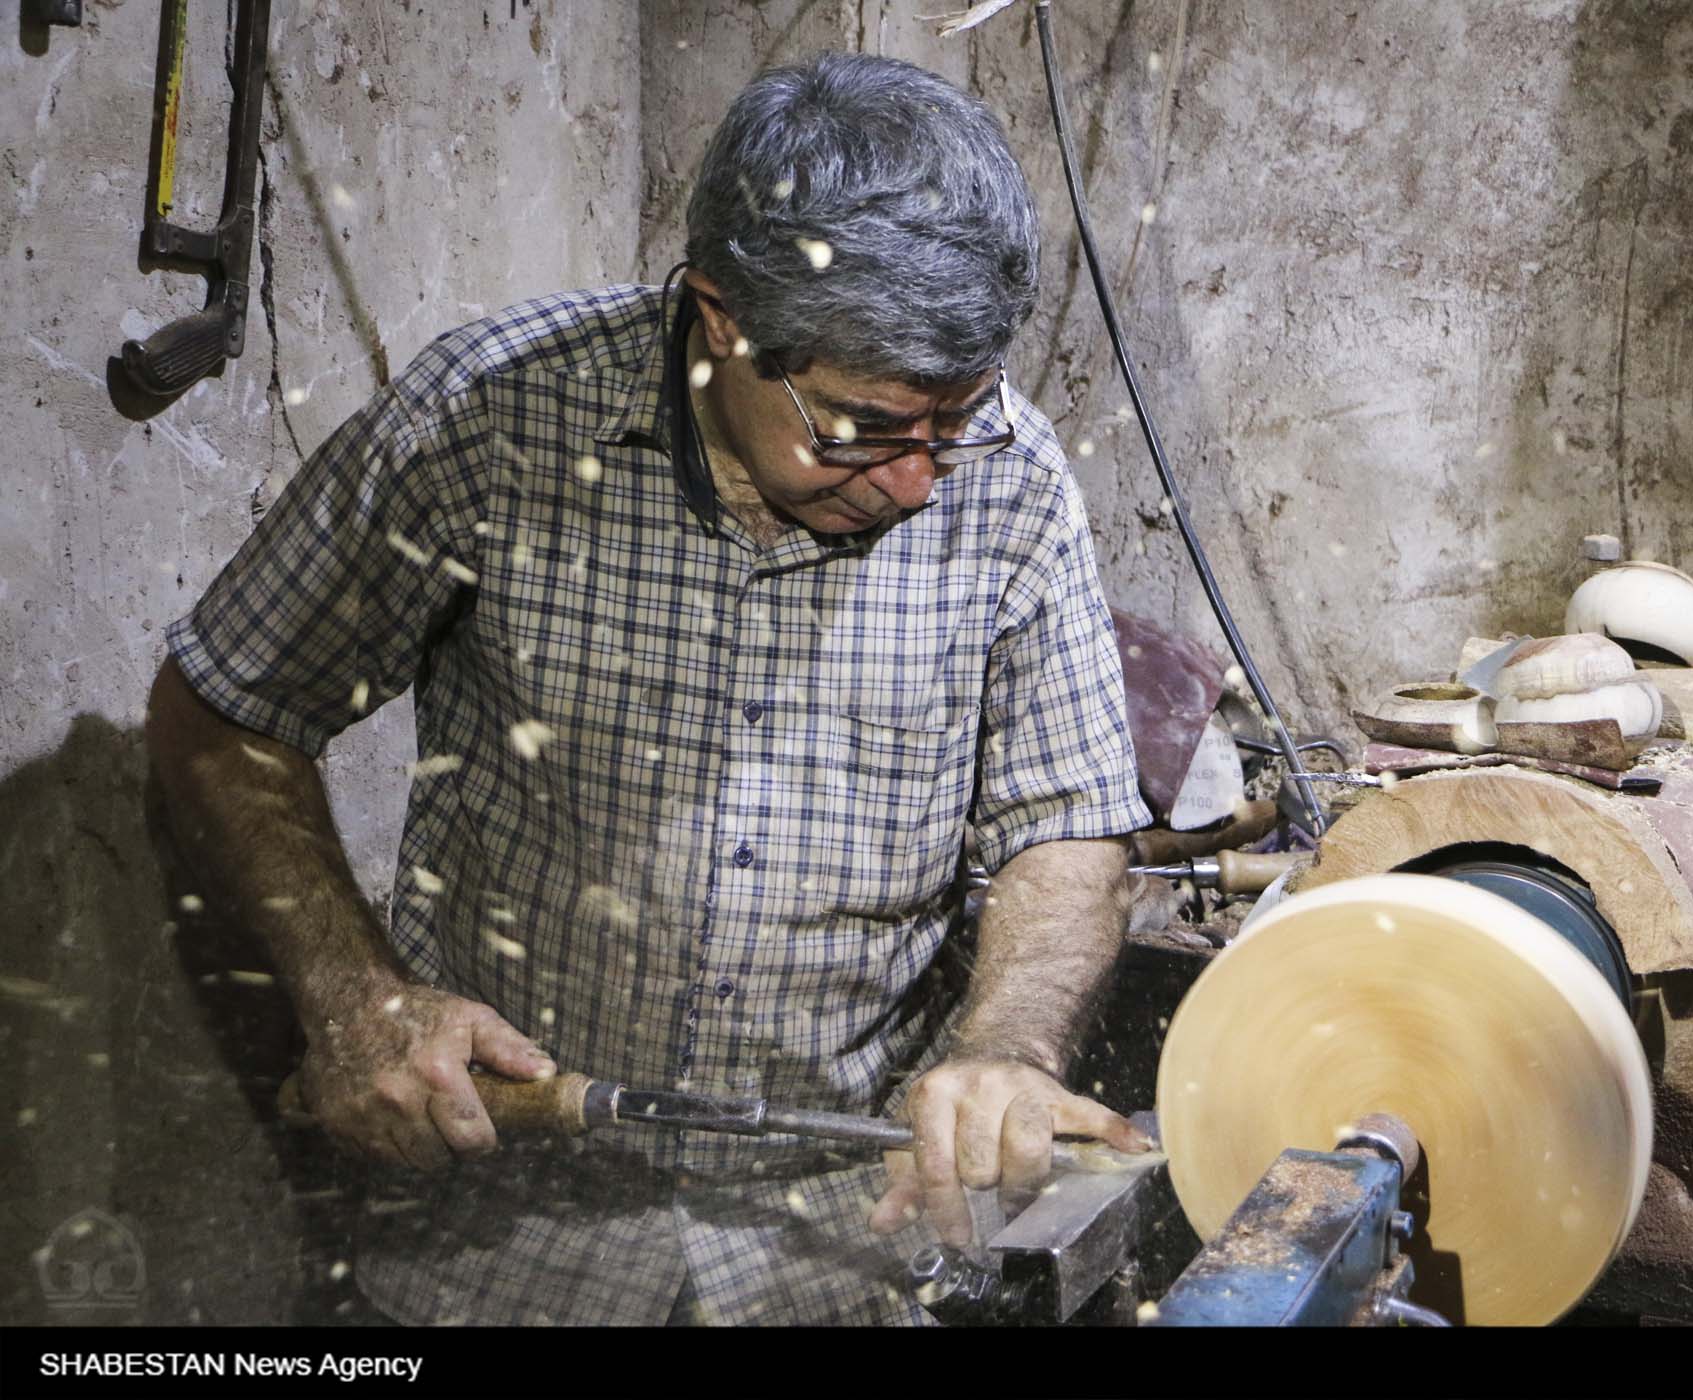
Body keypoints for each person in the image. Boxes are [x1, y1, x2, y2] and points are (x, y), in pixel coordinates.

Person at [144, 51, 1155, 1326]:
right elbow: (229, 709)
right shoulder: (494, 417)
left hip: (837, 1250)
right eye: (860, 428)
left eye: (954, 423)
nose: (919, 482)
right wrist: (356, 996)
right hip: (508, 1240)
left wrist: (1004, 1049)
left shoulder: (1012, 481)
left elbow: (1062, 826)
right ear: (720, 318)